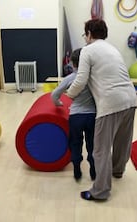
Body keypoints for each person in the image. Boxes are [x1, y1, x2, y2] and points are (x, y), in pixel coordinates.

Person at [66, 19, 137, 201]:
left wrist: (69, 94)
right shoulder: (112, 49)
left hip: (111, 103)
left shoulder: (87, 51)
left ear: (89, 33)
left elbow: (81, 80)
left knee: (100, 149)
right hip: (130, 98)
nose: (85, 38)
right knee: (122, 141)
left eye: (85, 34)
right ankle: (118, 170)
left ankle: (100, 191)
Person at [51, 48, 97, 181]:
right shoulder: (93, 77)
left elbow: (54, 95)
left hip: (76, 116)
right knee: (92, 144)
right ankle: (93, 171)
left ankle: (77, 169)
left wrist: (59, 103)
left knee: (75, 143)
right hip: (92, 116)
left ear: (73, 63)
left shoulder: (70, 78)